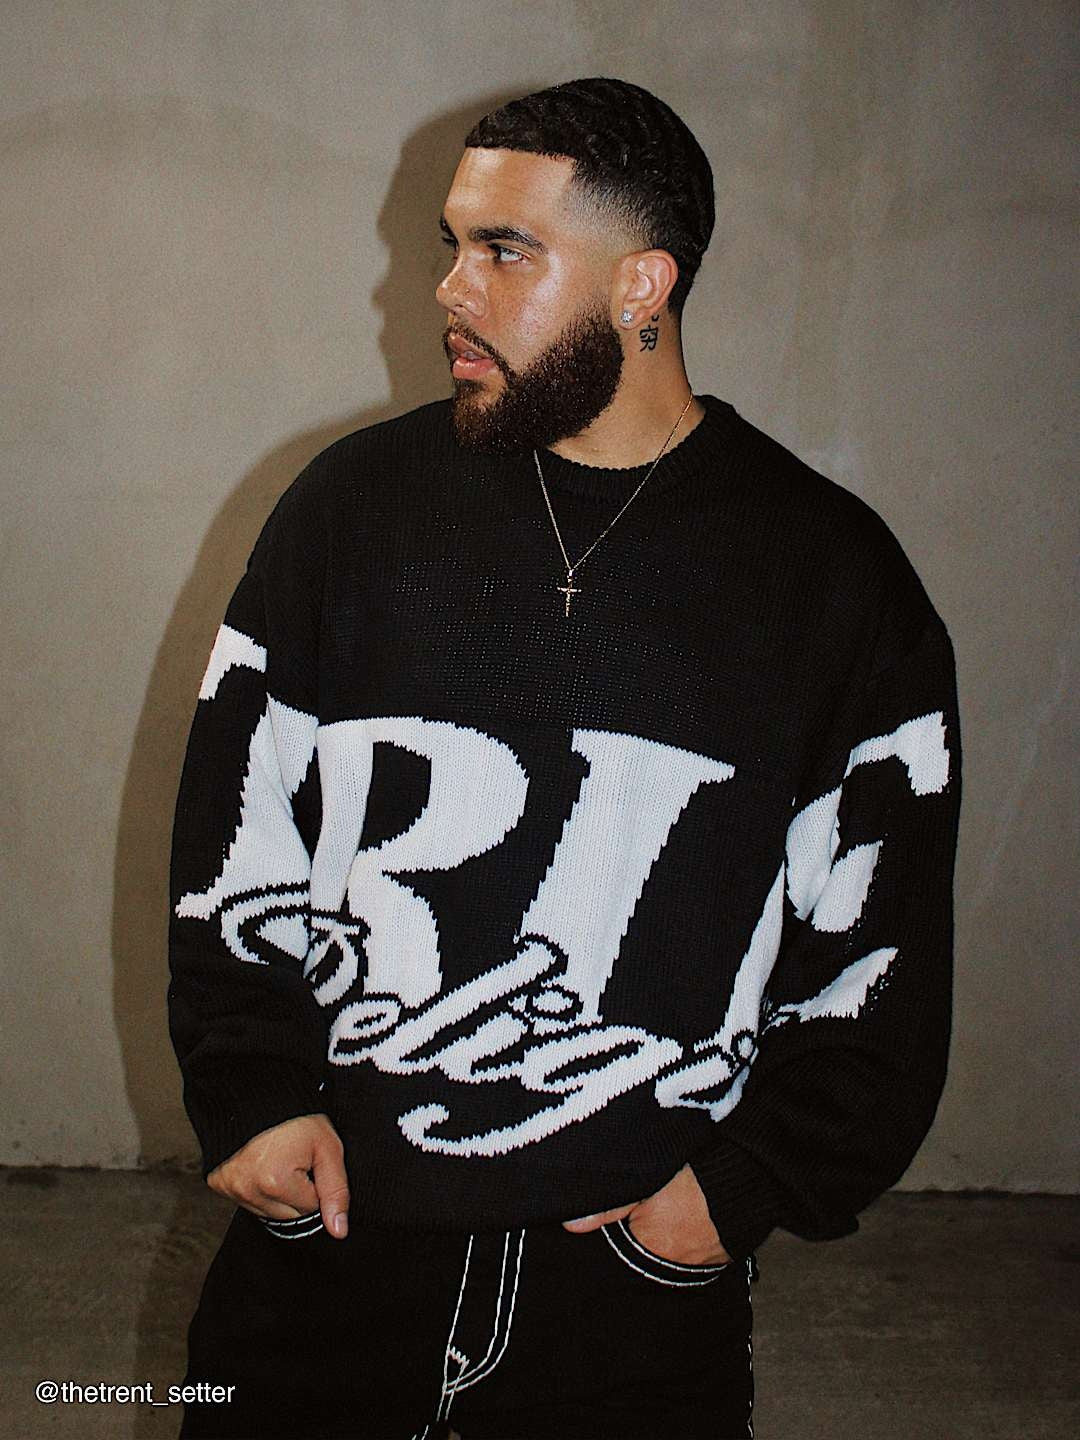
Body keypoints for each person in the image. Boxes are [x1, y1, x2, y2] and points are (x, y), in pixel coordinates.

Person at [168, 77, 961, 1440]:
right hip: (326, 1263)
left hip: (628, 1308)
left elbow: (879, 955)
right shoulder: (351, 510)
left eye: (505, 251)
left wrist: (728, 1201)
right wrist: (249, 1099)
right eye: (453, 245)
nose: (446, 290)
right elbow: (235, 837)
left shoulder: (830, 578)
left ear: (643, 284)